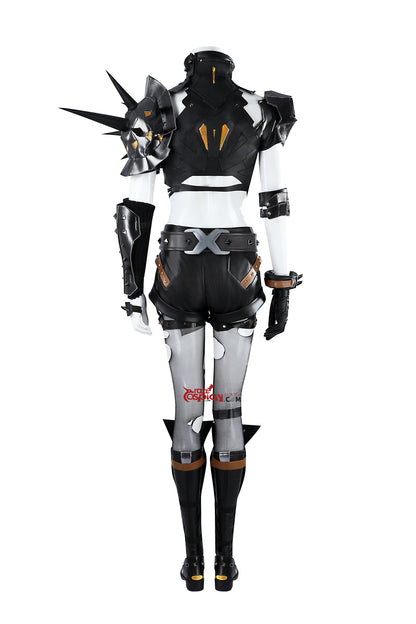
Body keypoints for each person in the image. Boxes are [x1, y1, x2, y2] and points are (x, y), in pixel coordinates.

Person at [62, 46, 302, 591]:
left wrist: (132, 293)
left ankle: (193, 560)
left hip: (178, 268)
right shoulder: (264, 110)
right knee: (230, 408)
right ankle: (224, 560)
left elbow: (136, 207)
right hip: (239, 268)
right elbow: (276, 202)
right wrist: (282, 283)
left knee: (189, 410)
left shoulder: (158, 108)